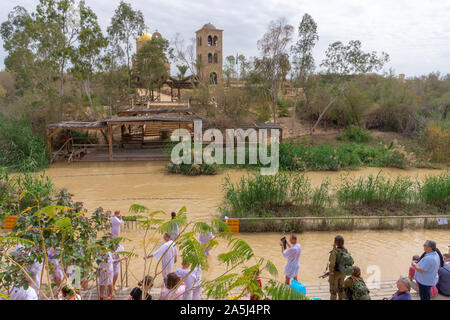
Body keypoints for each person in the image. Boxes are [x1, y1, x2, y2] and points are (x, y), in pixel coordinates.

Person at [328, 235, 350, 300]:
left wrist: (331, 271)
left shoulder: (335, 251)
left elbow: (332, 263)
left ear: (335, 242)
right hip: (343, 273)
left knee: (333, 291)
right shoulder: (345, 250)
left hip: (335, 273)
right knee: (341, 289)